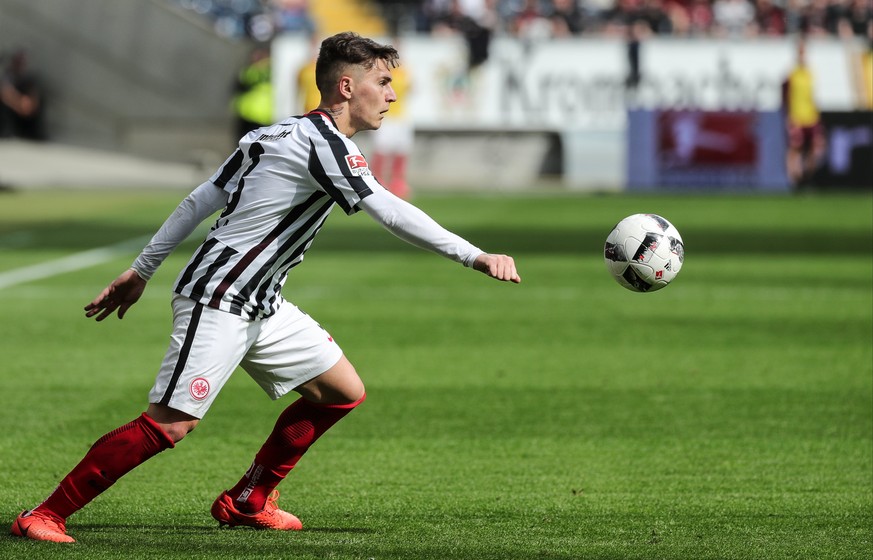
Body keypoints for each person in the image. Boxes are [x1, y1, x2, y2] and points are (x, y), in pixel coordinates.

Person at [10, 31, 520, 544]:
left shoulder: (276, 133)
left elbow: (199, 199)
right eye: (383, 83)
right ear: (346, 86)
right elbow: (387, 208)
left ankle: (248, 499)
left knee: (339, 393)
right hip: (220, 296)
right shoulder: (326, 144)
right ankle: (45, 514)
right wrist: (475, 255)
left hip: (260, 302)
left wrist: (142, 270)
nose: (391, 94)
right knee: (171, 424)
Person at [781, 39, 825, 187]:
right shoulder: (791, 74)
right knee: (795, 148)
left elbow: (813, 96)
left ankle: (807, 176)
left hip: (811, 117)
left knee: (817, 147)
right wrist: (788, 115)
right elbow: (784, 97)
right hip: (797, 118)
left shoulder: (810, 73)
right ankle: (794, 179)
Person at [370, 52, 413, 199]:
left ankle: (398, 182)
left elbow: (411, 89)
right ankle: (377, 180)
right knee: (381, 149)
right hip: (386, 116)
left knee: (401, 150)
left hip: (401, 117)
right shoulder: (382, 75)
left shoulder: (404, 73)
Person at [0, 48, 46, 141]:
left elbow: (33, 95)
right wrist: (18, 104)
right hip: (12, 107)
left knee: (41, 100)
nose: (20, 65)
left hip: (24, 109)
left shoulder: (28, 78)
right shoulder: (7, 75)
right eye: (18, 62)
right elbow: (5, 93)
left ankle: (34, 131)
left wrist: (27, 104)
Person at [232, 46, 274, 140]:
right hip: (258, 113)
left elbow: (242, 84)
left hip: (253, 113)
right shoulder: (270, 70)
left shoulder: (253, 71)